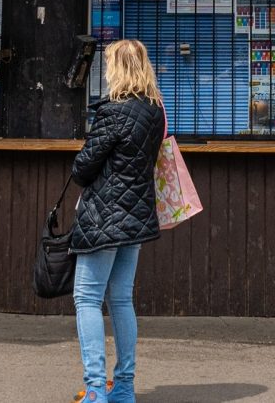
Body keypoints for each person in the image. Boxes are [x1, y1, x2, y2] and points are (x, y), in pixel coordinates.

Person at [70, 38, 166, 403]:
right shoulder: (155, 110)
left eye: (109, 63)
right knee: (122, 299)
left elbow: (82, 169)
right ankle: (123, 387)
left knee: (87, 298)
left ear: (117, 69)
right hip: (137, 215)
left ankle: (95, 390)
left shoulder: (113, 112)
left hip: (105, 217)